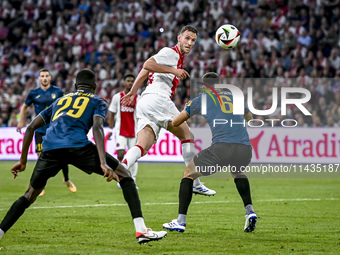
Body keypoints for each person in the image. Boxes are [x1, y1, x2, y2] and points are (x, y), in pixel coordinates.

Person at [0, 69, 167, 244]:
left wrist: (23, 160)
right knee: (124, 174)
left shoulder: (60, 100)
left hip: (51, 148)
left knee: (29, 195)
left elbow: (31, 127)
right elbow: (97, 127)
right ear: (94, 87)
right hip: (78, 145)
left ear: (75, 86)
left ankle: (1, 232)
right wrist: (103, 162)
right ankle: (141, 231)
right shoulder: (97, 101)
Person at [121, 25, 216, 196]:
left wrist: (134, 90)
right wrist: (174, 70)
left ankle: (122, 168)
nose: (190, 42)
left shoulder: (176, 56)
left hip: (145, 101)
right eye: (187, 38)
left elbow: (145, 70)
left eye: (193, 40)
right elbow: (148, 63)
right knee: (188, 136)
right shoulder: (171, 52)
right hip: (158, 99)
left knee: (142, 145)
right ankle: (195, 182)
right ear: (179, 38)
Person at [162, 72, 257, 233]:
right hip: (245, 148)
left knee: (188, 174)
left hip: (222, 146)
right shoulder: (234, 97)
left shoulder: (202, 99)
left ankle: (180, 221)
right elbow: (250, 118)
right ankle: (250, 211)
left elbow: (176, 122)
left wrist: (187, 108)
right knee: (237, 172)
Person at [17, 69, 76, 195]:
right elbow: (24, 107)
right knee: (41, 156)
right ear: (39, 79)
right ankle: (40, 185)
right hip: (40, 129)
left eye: (46, 76)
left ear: (50, 78)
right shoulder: (34, 93)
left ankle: (66, 179)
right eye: (42, 76)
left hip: (55, 128)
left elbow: (65, 106)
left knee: (63, 155)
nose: (44, 78)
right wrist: (21, 122)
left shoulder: (58, 91)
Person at [107, 74, 139, 189]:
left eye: (132, 81)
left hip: (133, 132)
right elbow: (112, 114)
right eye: (128, 81)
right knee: (120, 154)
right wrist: (110, 129)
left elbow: (139, 116)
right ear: (124, 83)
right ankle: (121, 179)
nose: (130, 83)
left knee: (134, 157)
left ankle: (133, 181)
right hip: (120, 131)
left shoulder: (137, 98)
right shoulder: (117, 97)